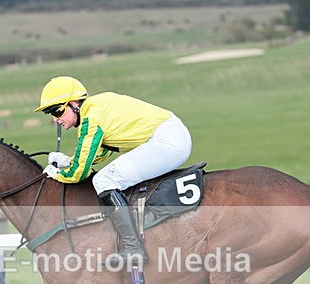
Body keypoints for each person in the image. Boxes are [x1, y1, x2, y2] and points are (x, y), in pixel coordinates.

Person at [34, 76, 192, 268]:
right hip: (170, 136)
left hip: (169, 141)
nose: (55, 119)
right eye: (50, 114)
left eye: (57, 111)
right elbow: (97, 153)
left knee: (104, 180)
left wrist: (55, 174)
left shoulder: (91, 119)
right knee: (107, 177)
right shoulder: (94, 109)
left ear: (75, 104)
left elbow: (79, 173)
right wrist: (69, 161)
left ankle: (133, 248)